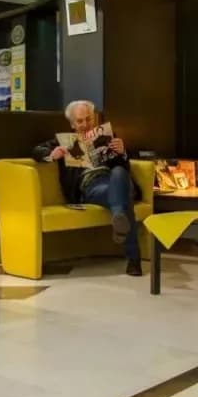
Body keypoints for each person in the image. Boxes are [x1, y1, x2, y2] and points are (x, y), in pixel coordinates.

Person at [33, 100, 142, 276]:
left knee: (120, 173)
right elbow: (37, 150)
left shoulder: (107, 137)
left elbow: (125, 166)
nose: (85, 125)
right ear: (72, 124)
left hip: (115, 179)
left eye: (88, 119)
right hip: (92, 186)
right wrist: (51, 155)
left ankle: (119, 218)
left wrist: (123, 152)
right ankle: (132, 258)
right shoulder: (64, 141)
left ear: (94, 119)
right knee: (122, 199)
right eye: (80, 121)